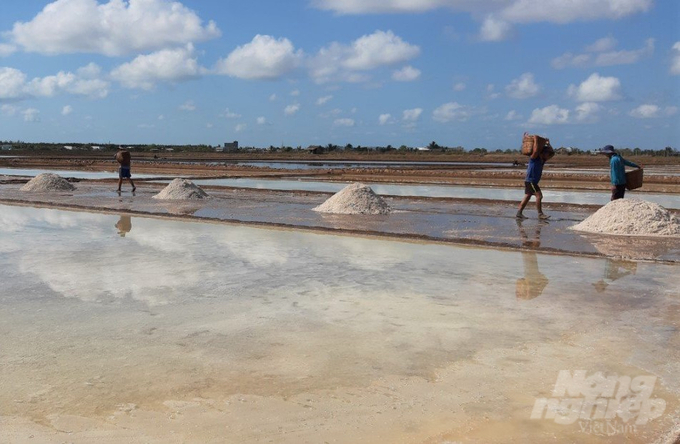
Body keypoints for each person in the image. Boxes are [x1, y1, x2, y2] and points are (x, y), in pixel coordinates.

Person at [517, 135, 550, 220]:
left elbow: (552, 153)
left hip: (531, 181)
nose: (548, 156)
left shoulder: (543, 160)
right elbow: (535, 151)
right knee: (539, 195)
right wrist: (535, 140)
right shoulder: (534, 158)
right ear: (542, 153)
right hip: (531, 181)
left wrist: (548, 144)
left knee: (527, 196)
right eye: (546, 154)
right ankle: (540, 214)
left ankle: (519, 213)